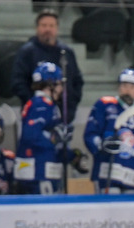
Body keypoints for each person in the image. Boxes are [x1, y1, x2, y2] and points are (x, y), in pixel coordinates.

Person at [14, 62, 89, 195]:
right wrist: (55, 138)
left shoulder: (47, 105)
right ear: (50, 84)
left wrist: (71, 157)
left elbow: (54, 144)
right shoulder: (40, 104)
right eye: (59, 84)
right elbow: (31, 135)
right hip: (37, 173)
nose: (61, 89)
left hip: (45, 172)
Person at [83, 68, 134, 194]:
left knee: (129, 205)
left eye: (132, 87)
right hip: (107, 174)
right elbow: (91, 133)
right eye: (124, 86)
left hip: (131, 177)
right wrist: (100, 144)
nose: (127, 90)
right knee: (108, 205)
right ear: (119, 87)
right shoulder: (104, 105)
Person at [9, 9, 84, 121]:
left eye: (51, 26)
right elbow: (17, 82)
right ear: (37, 28)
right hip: (35, 117)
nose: (48, 29)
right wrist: (34, 102)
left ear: (57, 28)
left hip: (64, 116)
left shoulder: (67, 52)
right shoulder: (27, 52)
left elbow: (77, 81)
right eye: (44, 25)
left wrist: (71, 104)